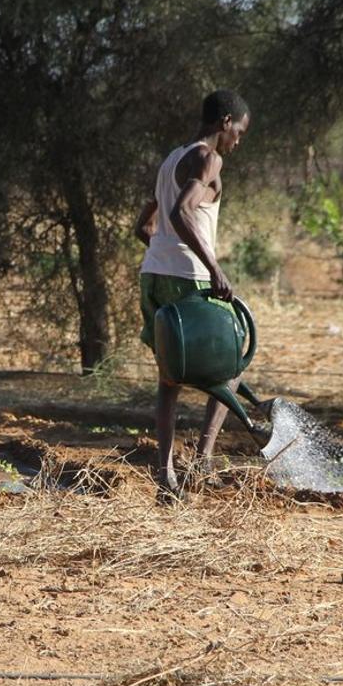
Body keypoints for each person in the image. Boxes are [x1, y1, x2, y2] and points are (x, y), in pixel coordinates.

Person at [133, 89, 251, 501]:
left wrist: (162, 252)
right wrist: (213, 268)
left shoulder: (172, 159)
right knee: (234, 362)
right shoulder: (208, 158)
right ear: (225, 123)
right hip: (190, 278)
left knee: (169, 378)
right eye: (239, 130)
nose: (238, 140)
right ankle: (202, 460)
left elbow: (143, 225)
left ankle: (165, 477)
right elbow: (180, 212)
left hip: (154, 277)